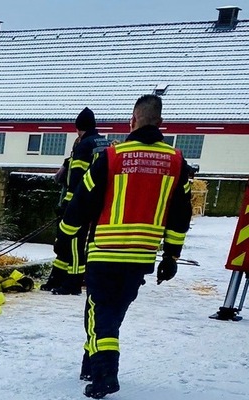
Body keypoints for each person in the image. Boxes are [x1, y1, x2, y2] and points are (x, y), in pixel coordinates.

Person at [56, 94, 192, 398]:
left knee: (98, 311)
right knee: (113, 312)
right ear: (161, 124)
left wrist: (65, 235)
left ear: (132, 121)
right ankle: (92, 363)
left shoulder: (113, 157)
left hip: (106, 251)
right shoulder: (176, 162)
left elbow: (82, 200)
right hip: (141, 256)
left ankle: (105, 373)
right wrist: (171, 255)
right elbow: (182, 212)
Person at [48, 107, 112, 295]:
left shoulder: (83, 146)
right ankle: (57, 278)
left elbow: (76, 180)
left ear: (78, 128)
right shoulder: (104, 143)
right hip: (101, 202)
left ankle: (72, 284)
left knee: (74, 242)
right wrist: (68, 162)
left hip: (81, 203)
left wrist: (66, 205)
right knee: (81, 243)